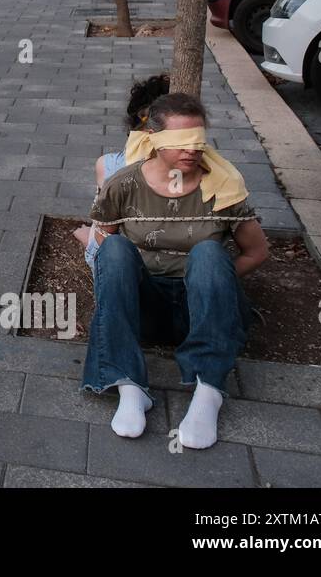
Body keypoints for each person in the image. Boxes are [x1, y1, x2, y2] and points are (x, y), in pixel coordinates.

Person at [82, 93, 270, 450]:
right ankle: (129, 386)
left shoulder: (223, 187)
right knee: (114, 249)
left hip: (200, 310)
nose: (192, 151)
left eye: (198, 141)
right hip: (145, 308)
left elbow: (257, 251)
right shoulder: (123, 185)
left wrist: (214, 286)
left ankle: (209, 390)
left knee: (210, 254)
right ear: (153, 140)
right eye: (181, 142)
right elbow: (102, 246)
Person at [74, 74, 171, 270]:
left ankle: (86, 238)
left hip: (123, 264)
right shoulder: (198, 161)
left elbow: (106, 224)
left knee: (102, 219)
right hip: (174, 262)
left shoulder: (110, 164)